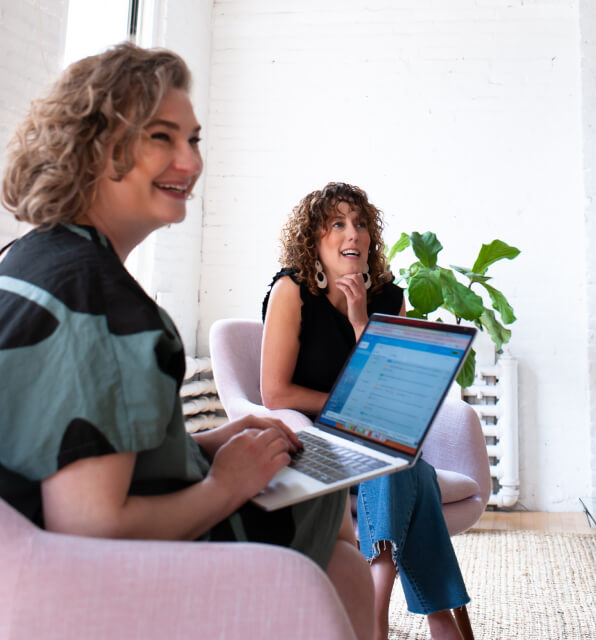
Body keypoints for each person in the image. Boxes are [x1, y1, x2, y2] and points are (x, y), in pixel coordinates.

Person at [0, 45, 373, 640]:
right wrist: (227, 483)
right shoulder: (107, 304)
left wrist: (208, 444)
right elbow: (92, 527)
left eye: (194, 139)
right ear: (95, 144)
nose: (189, 161)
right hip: (105, 579)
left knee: (339, 544)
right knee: (329, 517)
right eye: (161, 136)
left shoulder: (30, 257)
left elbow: (71, 441)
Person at [261, 182, 473, 640]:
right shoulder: (292, 291)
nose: (352, 233)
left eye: (359, 223)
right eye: (336, 224)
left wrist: (361, 321)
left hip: (375, 438)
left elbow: (387, 390)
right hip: (312, 439)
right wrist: (347, 412)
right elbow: (276, 394)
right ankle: (426, 619)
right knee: (408, 468)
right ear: (313, 240)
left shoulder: (386, 297)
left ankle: (377, 616)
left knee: (399, 461)